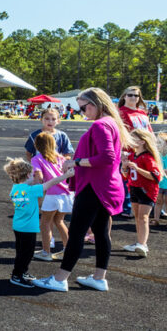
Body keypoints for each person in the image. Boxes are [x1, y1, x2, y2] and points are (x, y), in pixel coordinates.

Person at [34, 87, 131, 293]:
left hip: (94, 187)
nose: (82, 112)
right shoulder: (112, 123)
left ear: (95, 104)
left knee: (77, 232)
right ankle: (99, 277)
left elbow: (107, 157)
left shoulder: (100, 125)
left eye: (84, 107)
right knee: (102, 233)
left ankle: (60, 278)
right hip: (107, 187)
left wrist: (76, 163)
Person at [3, 157, 76, 288]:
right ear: (27, 175)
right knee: (27, 253)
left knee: (21, 252)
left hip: (18, 226)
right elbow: (51, 183)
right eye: (33, 174)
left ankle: (22, 272)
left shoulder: (15, 189)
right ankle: (17, 275)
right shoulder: (31, 190)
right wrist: (66, 175)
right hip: (28, 228)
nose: (35, 177)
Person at [32, 131, 75, 261]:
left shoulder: (36, 159)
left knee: (45, 222)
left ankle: (46, 252)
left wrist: (35, 190)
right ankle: (68, 249)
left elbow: (38, 176)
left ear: (37, 146)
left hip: (52, 194)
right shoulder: (61, 158)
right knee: (59, 221)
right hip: (66, 193)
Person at [121, 128, 163, 257]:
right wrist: (124, 166)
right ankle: (139, 242)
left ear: (142, 142)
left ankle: (143, 244)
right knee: (138, 218)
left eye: (133, 139)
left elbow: (156, 177)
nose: (130, 141)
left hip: (147, 190)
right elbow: (125, 176)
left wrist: (137, 168)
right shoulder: (133, 155)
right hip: (134, 189)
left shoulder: (148, 157)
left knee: (143, 217)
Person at [117, 86, 151, 216]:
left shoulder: (142, 113)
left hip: (145, 151)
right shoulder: (121, 112)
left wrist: (153, 146)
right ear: (124, 96)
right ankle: (127, 207)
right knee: (127, 180)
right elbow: (119, 133)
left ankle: (150, 206)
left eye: (136, 95)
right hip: (128, 151)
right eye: (130, 95)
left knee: (147, 178)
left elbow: (149, 130)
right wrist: (121, 150)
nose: (133, 98)